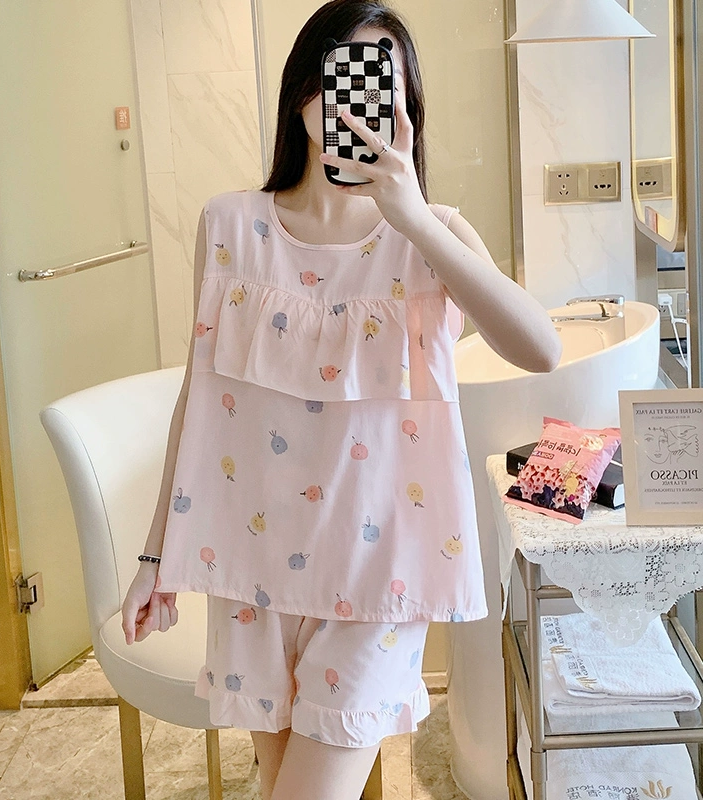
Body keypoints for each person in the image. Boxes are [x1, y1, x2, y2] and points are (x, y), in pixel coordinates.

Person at [121, 2, 562, 798]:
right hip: (251, 568)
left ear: (405, 109)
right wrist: (157, 557)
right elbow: (199, 397)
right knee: (280, 783)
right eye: (342, 78)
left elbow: (540, 347)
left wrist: (413, 217)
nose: (358, 104)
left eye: (381, 84)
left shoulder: (432, 235)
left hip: (378, 575)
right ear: (302, 93)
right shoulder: (230, 225)